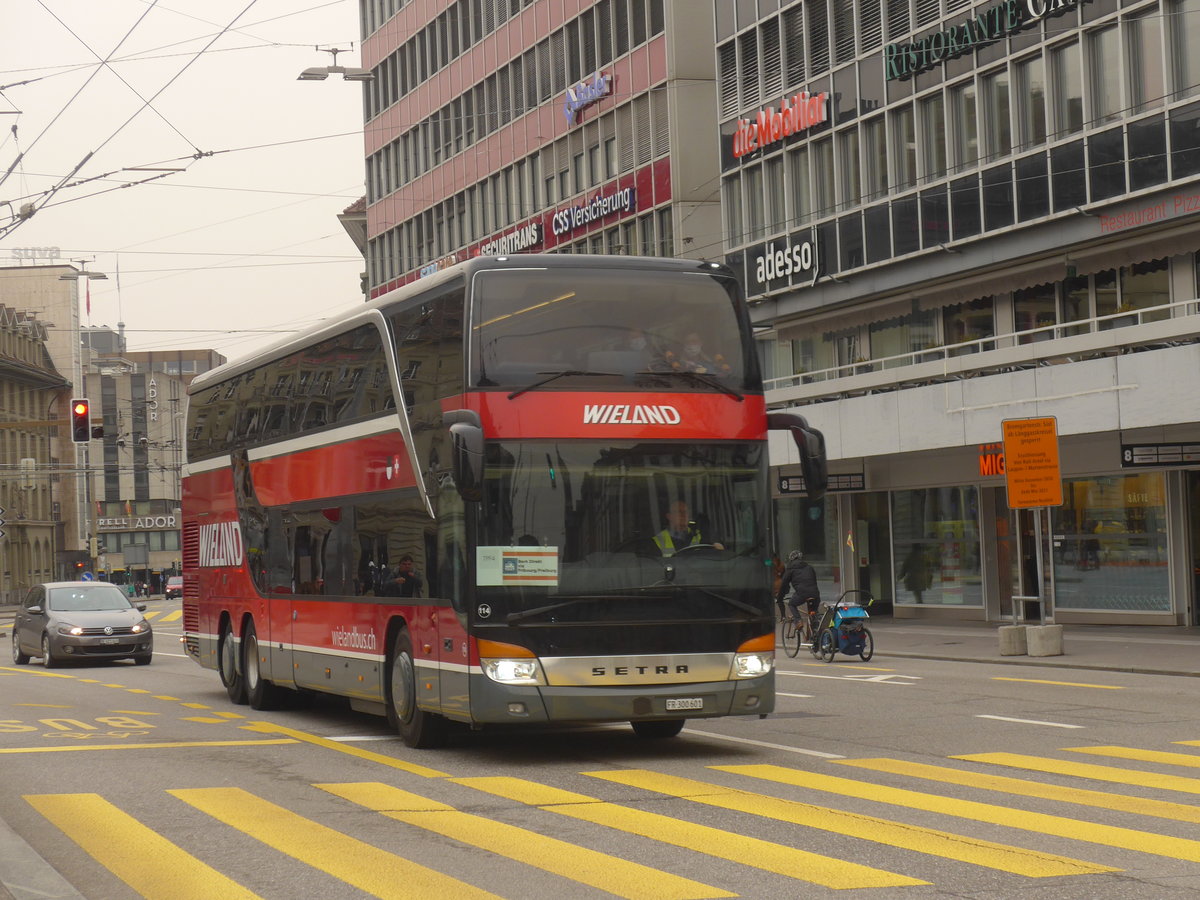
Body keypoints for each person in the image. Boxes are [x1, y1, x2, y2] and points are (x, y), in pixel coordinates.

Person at [653, 500, 723, 556]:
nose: (683, 515)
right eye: (679, 512)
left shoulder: (700, 534)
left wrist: (717, 545)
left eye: (685, 512)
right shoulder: (658, 540)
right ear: (669, 516)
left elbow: (716, 552)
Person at [776, 549, 820, 622]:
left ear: (791, 560)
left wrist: (779, 598)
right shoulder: (809, 567)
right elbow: (814, 582)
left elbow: (783, 585)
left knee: (791, 604)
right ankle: (815, 629)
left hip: (802, 594)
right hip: (815, 594)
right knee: (813, 614)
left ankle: (798, 621)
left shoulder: (790, 569)